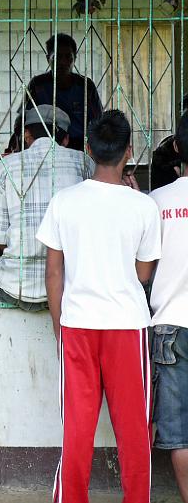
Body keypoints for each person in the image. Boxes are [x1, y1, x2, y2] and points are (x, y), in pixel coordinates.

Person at [36, 109, 161, 503]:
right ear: (129, 151)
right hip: (127, 326)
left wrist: (60, 323)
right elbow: (143, 274)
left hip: (78, 325)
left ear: (89, 148)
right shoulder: (143, 208)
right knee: (133, 432)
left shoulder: (64, 201)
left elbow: (53, 273)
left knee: (76, 427)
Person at [0, 105, 93, 310]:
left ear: (27, 135)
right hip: (69, 289)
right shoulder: (85, 164)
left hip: (15, 288)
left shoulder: (5, 167)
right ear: (65, 140)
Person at [149, 110, 188, 503]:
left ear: (176, 148)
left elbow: (144, 270)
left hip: (171, 327)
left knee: (178, 432)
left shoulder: (156, 201)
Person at [25, 33, 103, 151]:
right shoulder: (38, 85)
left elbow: (98, 122)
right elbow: (25, 119)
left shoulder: (85, 86)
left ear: (75, 59)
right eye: (57, 57)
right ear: (48, 59)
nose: (63, 62)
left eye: (68, 57)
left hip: (81, 147)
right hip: (46, 146)